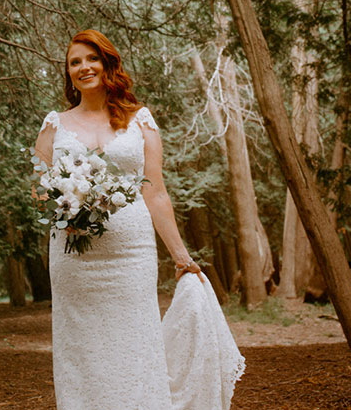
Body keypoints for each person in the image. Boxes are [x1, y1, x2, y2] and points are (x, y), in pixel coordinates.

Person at [33, 30, 243, 410]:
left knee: (134, 343)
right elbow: (38, 191)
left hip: (131, 254)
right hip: (74, 258)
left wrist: (181, 256)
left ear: (107, 62)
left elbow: (156, 192)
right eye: (74, 62)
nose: (84, 67)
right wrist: (67, 200)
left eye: (91, 58)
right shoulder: (54, 125)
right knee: (81, 349)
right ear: (68, 73)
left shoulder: (139, 120)